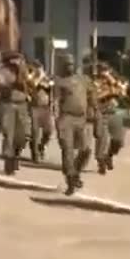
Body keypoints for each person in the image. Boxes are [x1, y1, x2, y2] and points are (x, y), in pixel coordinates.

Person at [53, 53, 95, 196]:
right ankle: (70, 179)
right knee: (68, 149)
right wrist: (57, 121)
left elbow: (92, 95)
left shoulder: (83, 80)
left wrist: (93, 110)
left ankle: (75, 172)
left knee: (86, 149)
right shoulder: (60, 82)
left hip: (81, 119)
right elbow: (55, 102)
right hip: (66, 118)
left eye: (72, 64)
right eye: (67, 64)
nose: (70, 66)